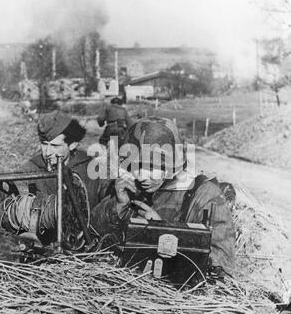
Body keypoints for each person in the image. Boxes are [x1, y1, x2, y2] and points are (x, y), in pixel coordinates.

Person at [90, 116, 236, 276]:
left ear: (172, 165)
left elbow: (221, 269)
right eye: (136, 166)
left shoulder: (206, 197)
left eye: (152, 168)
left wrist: (162, 232)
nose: (141, 177)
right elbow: (93, 239)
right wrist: (118, 205)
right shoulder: (132, 186)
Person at [21, 110, 109, 212]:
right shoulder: (31, 169)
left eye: (55, 146)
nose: (48, 152)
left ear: (73, 145)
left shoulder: (92, 168)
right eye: (44, 144)